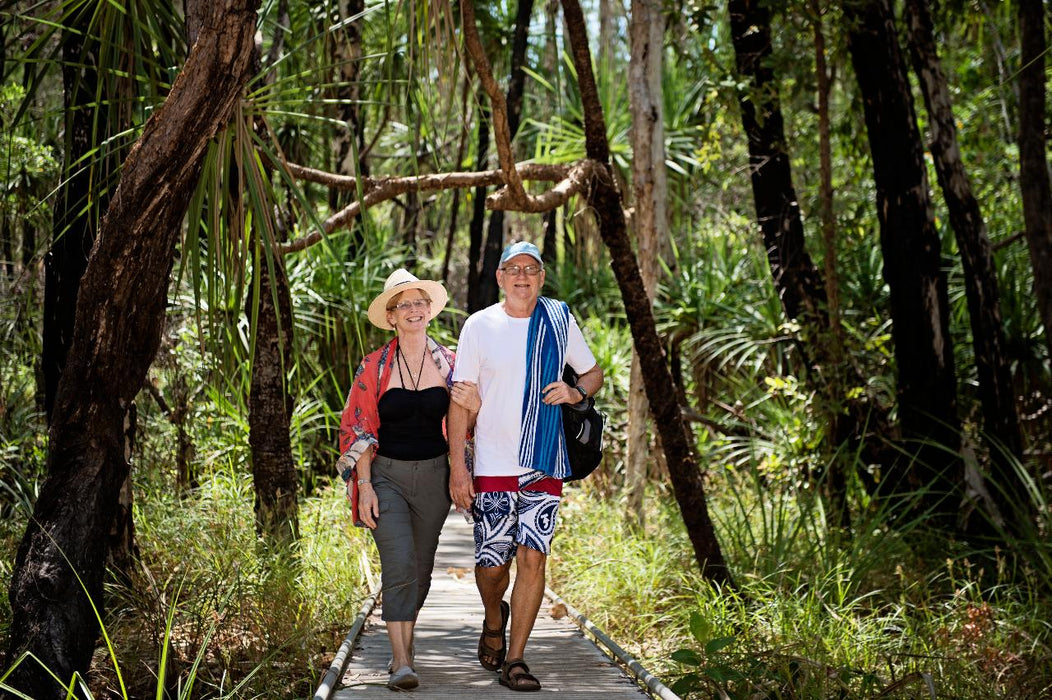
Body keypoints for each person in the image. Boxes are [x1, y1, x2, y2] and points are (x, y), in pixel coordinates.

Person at [447, 241, 604, 692]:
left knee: (533, 557)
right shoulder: (480, 326)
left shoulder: (558, 320)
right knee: (492, 565)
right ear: (500, 278)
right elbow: (460, 402)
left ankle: (515, 659)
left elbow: (591, 373)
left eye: (530, 269)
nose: (522, 276)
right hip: (493, 463)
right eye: (513, 269)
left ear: (540, 277)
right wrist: (459, 468)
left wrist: (577, 393)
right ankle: (493, 618)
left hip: (544, 462)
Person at [336, 268, 479, 691]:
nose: (414, 310)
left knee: (420, 569)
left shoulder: (451, 365)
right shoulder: (374, 367)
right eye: (404, 305)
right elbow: (357, 429)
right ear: (392, 317)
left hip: (434, 479)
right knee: (398, 564)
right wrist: (364, 487)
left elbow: (469, 423)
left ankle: (405, 640)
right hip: (387, 478)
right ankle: (401, 661)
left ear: (429, 311)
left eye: (420, 302)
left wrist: (476, 408)